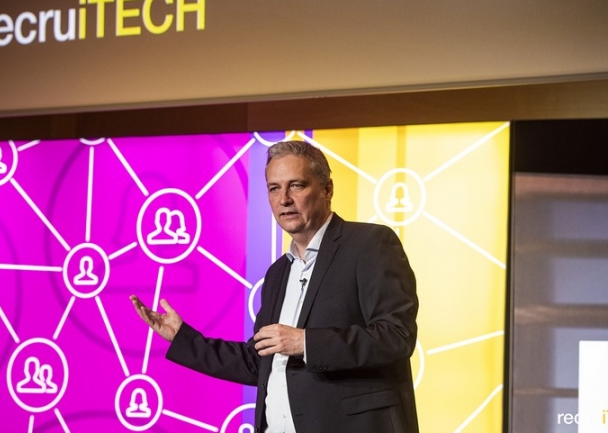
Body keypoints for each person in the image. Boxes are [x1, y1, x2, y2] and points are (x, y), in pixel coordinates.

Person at [130, 141, 419, 432]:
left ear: (327, 189)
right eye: (274, 188)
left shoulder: (369, 244)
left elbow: (397, 336)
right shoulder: (278, 273)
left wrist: (305, 343)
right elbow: (259, 362)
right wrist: (183, 338)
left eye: (296, 185)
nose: (284, 199)